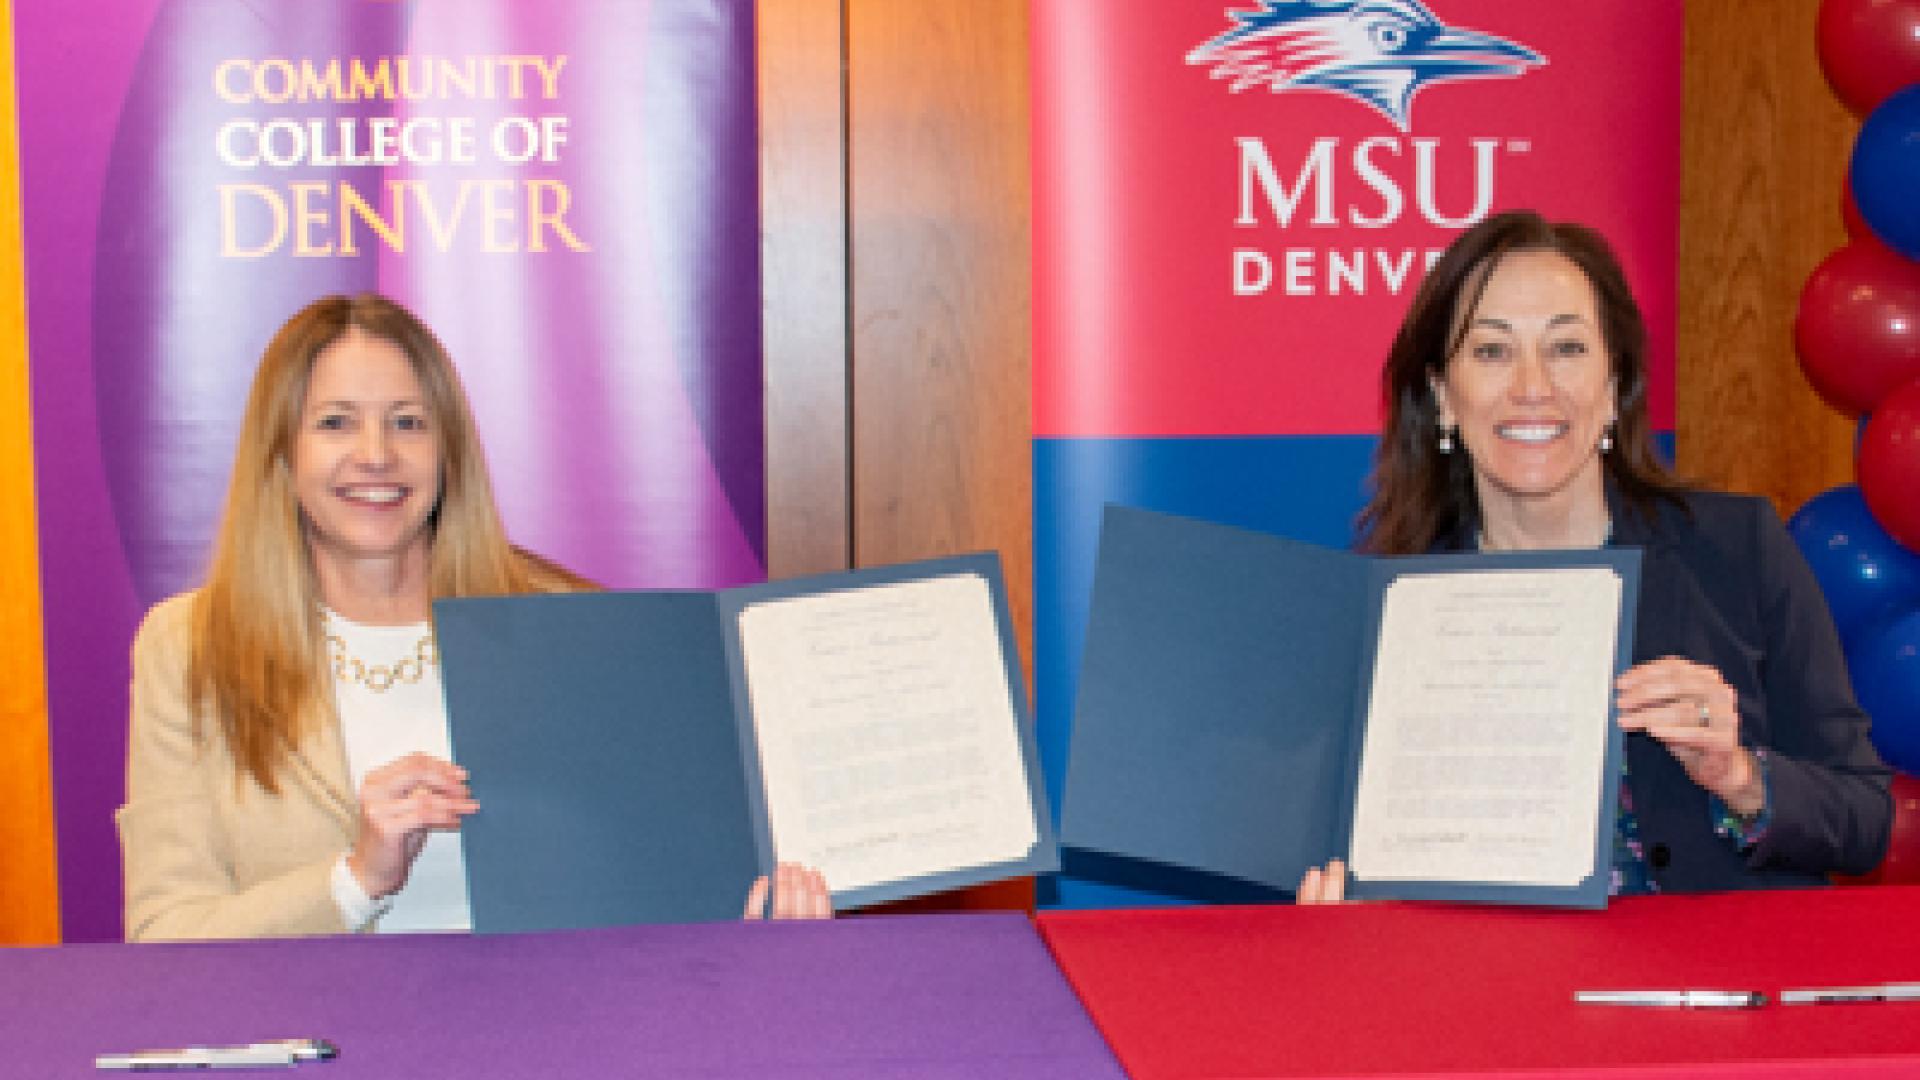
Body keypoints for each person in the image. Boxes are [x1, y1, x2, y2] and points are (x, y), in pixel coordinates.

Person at [119, 293, 829, 940]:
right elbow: (164, 935)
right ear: (281, 453)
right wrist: (356, 880)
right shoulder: (187, 648)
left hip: (554, 1034)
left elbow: (658, 875)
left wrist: (759, 914)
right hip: (320, 1046)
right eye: (336, 423)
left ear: (448, 449)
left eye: (408, 423)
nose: (376, 455)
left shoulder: (573, 626)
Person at [1297, 211, 1892, 903]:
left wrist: (1739, 776)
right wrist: (1345, 906)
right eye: (1491, 351)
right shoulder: (1389, 609)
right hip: (1485, 993)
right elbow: (1347, 845)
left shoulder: (1737, 548)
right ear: (1440, 397)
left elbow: (1866, 820)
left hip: (1711, 989)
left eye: (1567, 348)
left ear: (1614, 387)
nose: (1532, 385)